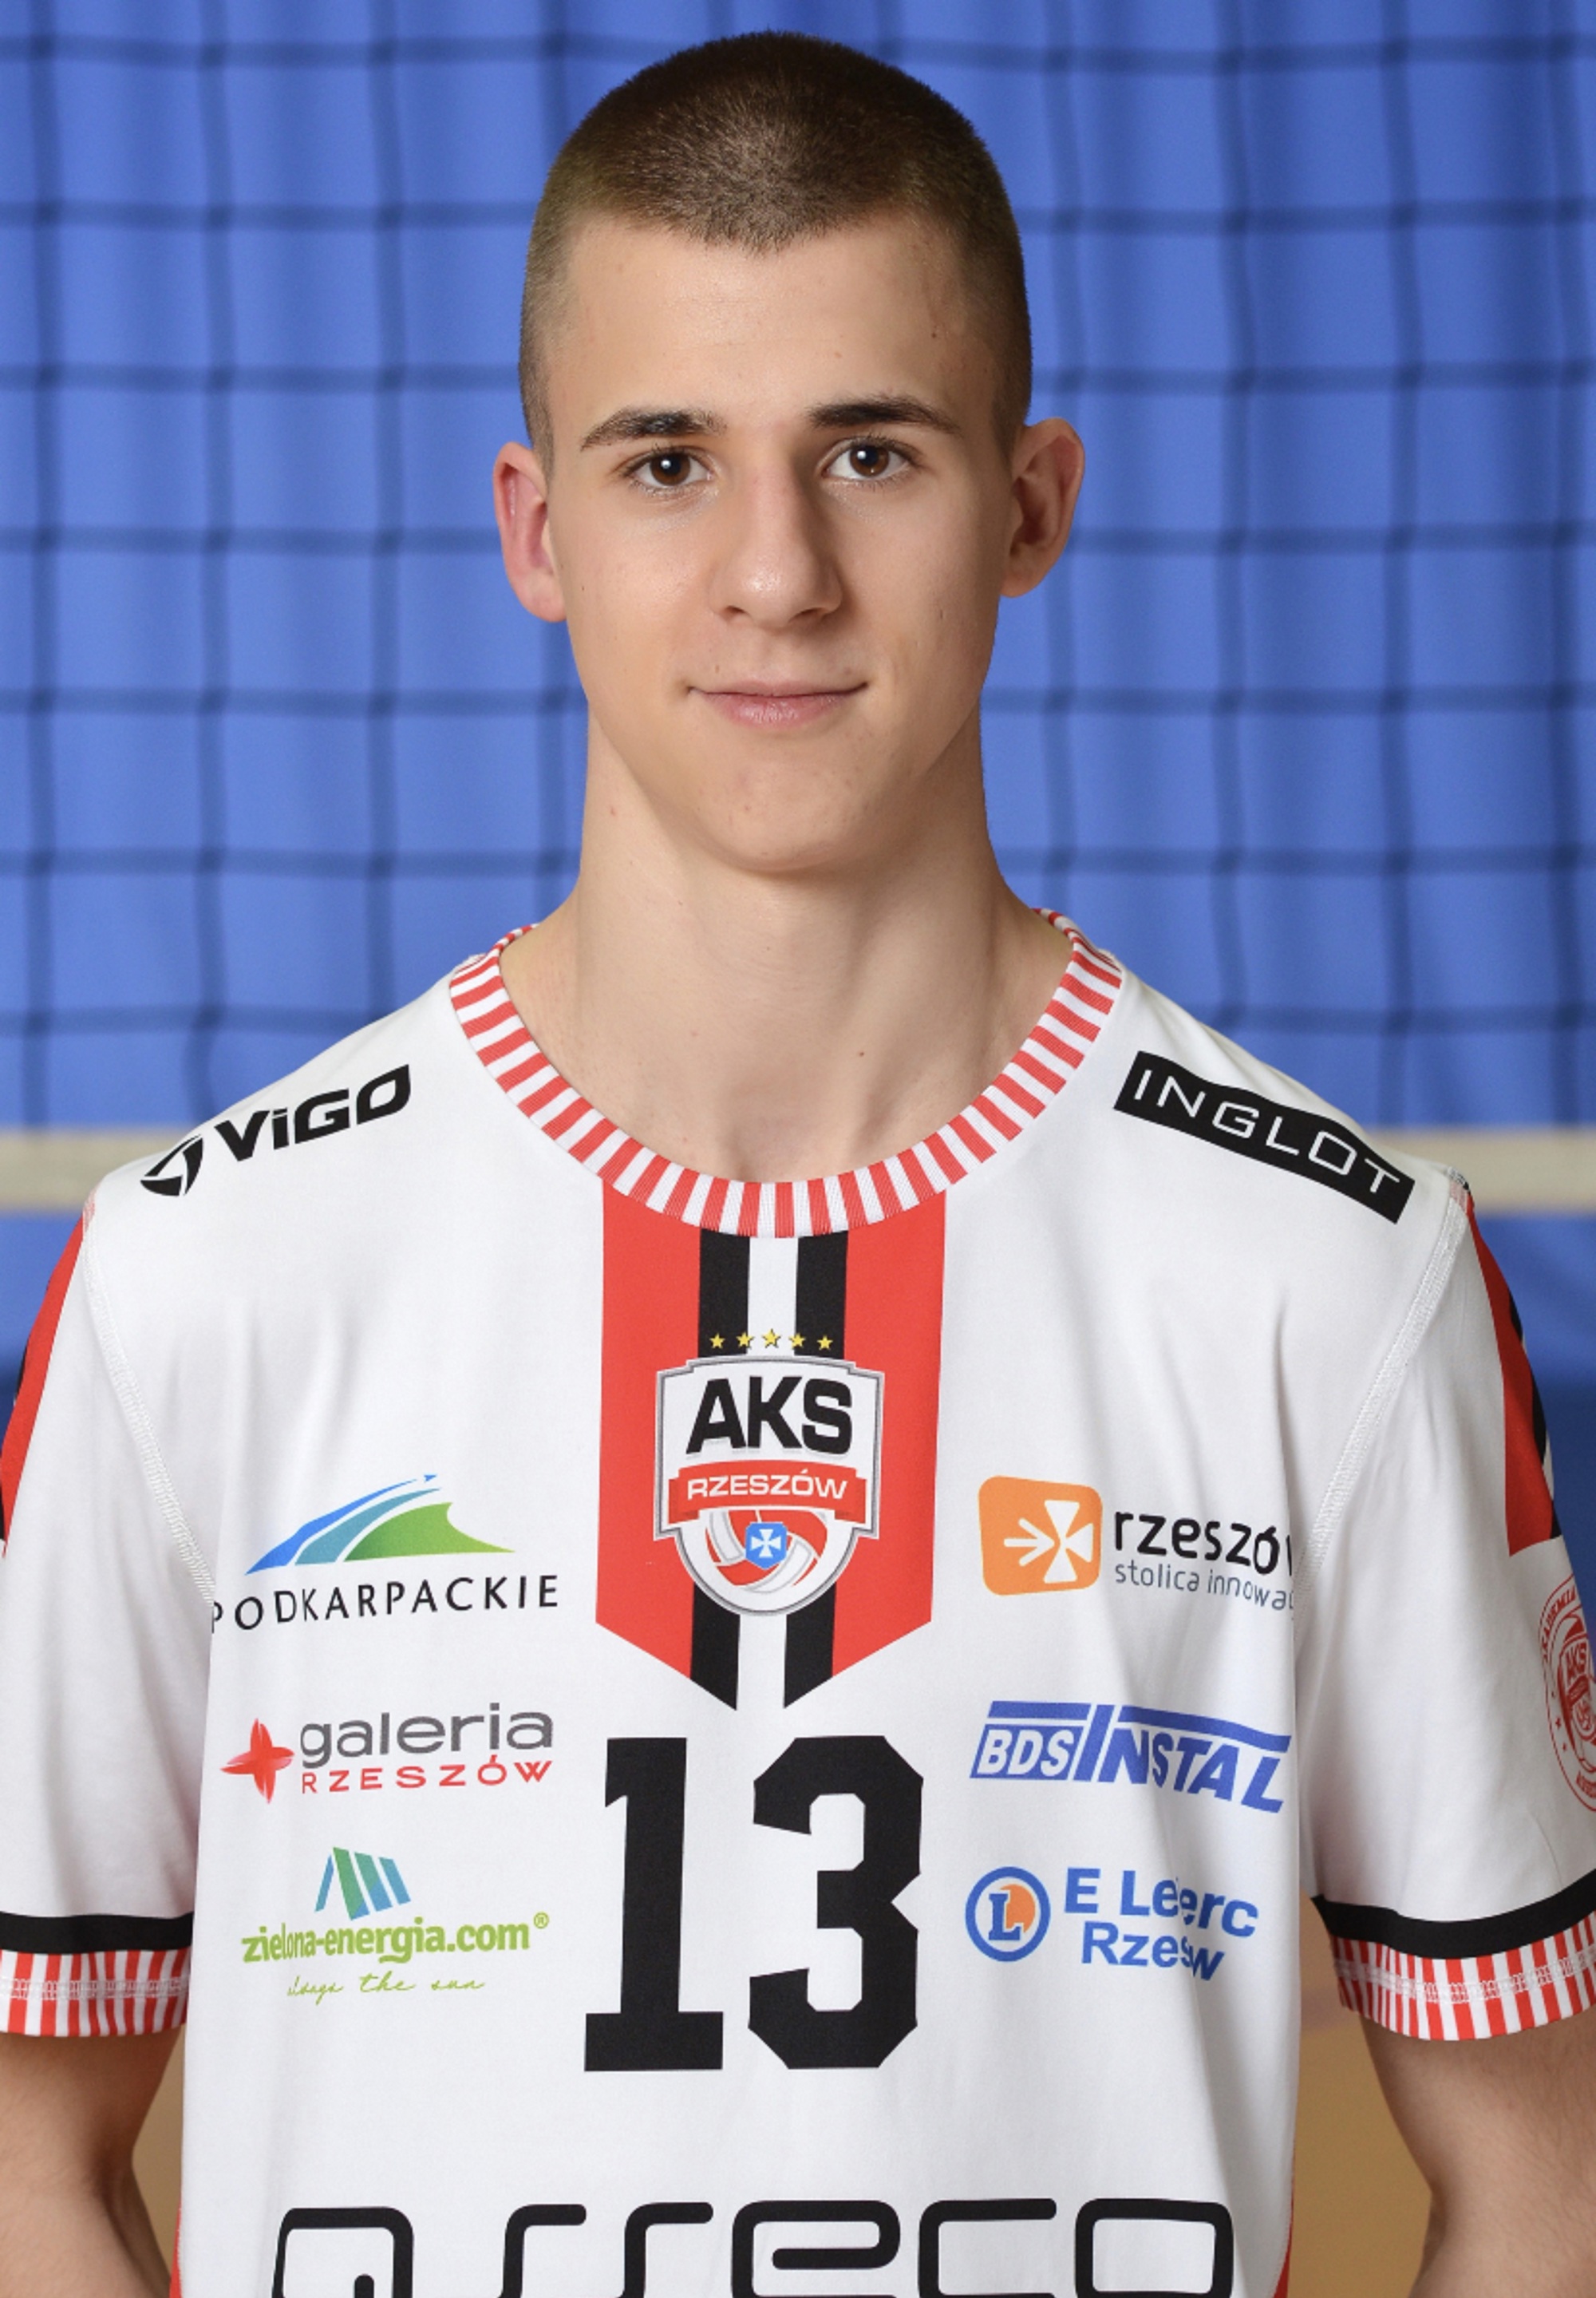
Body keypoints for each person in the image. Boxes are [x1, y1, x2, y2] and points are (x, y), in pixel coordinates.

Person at [1, 32, 1594, 2298]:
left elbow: (1549, 2180)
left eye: (871, 452)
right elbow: (21, 2159)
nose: (778, 572)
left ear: (1029, 506)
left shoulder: (1332, 1279)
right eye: (668, 461)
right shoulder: (204, 1279)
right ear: (535, 532)